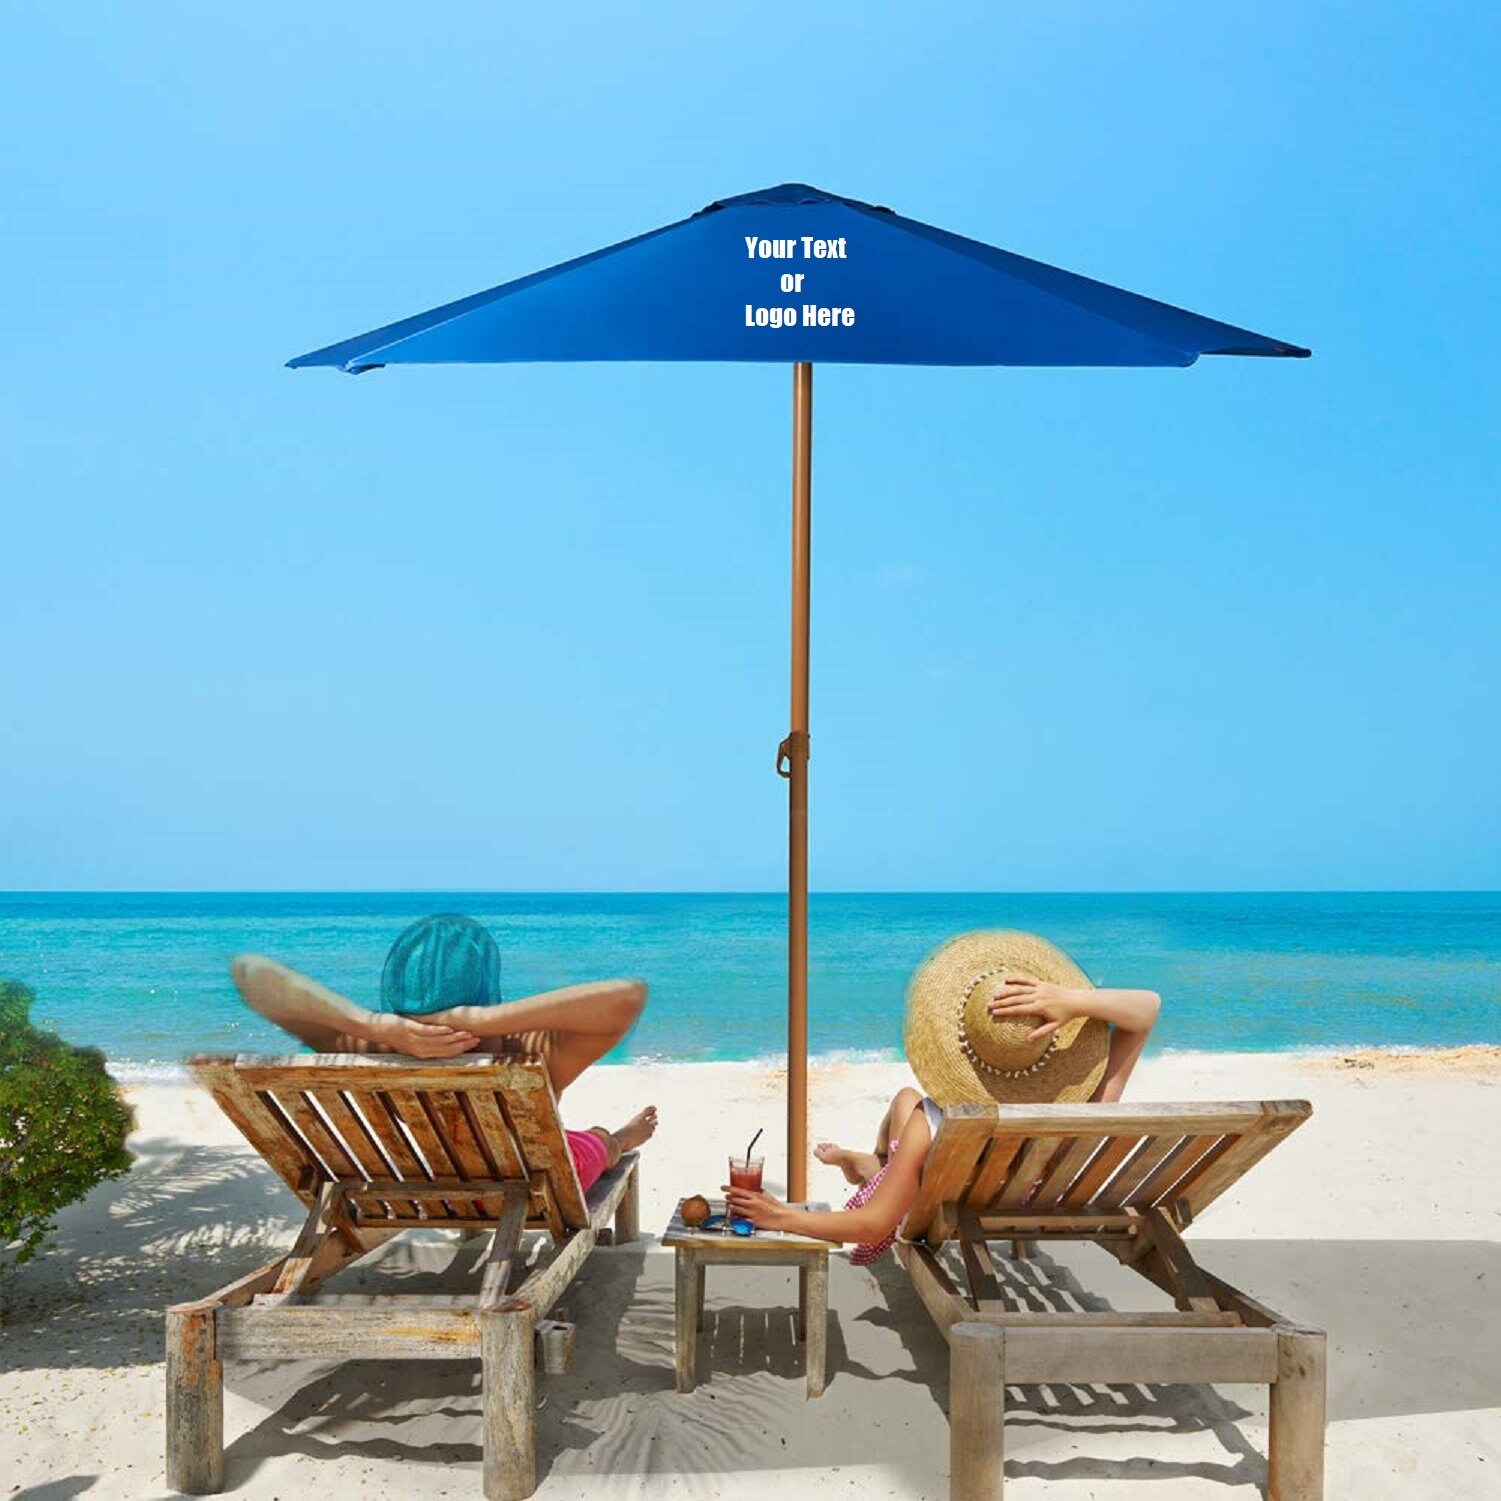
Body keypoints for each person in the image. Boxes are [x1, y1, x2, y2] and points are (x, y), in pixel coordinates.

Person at [725, 929, 1160, 1262]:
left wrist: (781, 1216)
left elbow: (875, 1225)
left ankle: (872, 1166)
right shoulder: (1082, 1110)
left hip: (945, 1198)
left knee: (906, 1105)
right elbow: (1147, 1007)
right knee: (904, 1112)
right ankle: (870, 1164)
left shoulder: (936, 1121)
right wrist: (1073, 1000)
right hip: (1027, 1198)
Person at [229, 912, 657, 1193]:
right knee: (596, 1142)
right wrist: (485, 1021)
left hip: (437, 1184)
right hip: (531, 1189)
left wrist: (373, 1025)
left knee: (485, 1150)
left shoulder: (373, 1047)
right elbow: (628, 996)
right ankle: (621, 1136)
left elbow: (249, 973)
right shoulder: (528, 1053)